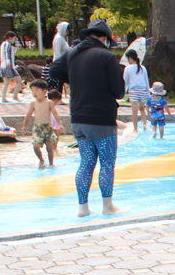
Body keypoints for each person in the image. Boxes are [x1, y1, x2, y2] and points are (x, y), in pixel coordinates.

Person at [49, 19, 126, 217]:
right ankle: (107, 207)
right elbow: (119, 91)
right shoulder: (107, 56)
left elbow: (53, 70)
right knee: (107, 164)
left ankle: (82, 208)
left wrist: (77, 78)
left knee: (86, 163)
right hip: (102, 119)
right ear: (104, 38)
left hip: (78, 119)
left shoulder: (73, 53)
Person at [22, 79, 59, 168]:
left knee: (49, 147)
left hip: (48, 127)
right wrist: (24, 125)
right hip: (37, 128)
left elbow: (55, 113)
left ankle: (51, 163)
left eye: (36, 90)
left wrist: (60, 124)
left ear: (44, 91)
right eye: (32, 90)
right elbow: (28, 115)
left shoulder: (49, 102)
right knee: (35, 146)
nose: (34, 92)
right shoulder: (33, 103)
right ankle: (41, 158)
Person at [123, 49, 150, 132]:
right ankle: (144, 124)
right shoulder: (143, 68)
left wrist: (123, 92)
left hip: (134, 90)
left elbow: (125, 82)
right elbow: (146, 81)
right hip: (143, 89)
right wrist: (148, 92)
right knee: (142, 109)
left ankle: (135, 129)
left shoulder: (127, 68)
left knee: (134, 111)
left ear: (130, 58)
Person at [0, 31, 22, 103]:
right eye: (13, 38)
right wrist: (8, 62)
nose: (14, 40)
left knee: (6, 83)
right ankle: (15, 96)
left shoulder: (3, 44)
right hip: (8, 66)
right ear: (9, 37)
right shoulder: (7, 44)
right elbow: (7, 54)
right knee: (19, 81)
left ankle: (3, 98)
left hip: (3, 66)